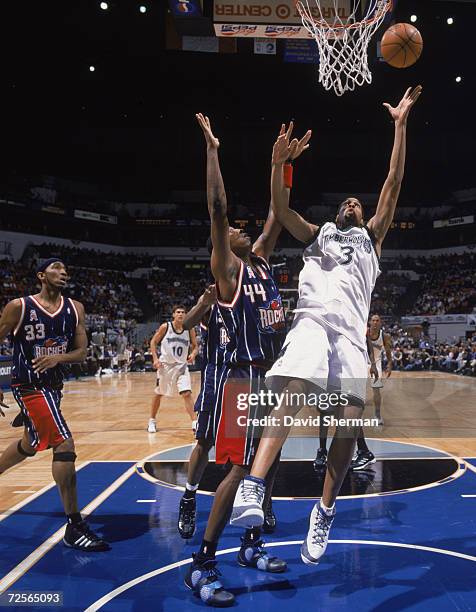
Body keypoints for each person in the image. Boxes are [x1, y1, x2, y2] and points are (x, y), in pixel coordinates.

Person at [231, 86, 422, 567]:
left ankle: (325, 509)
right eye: (350, 203)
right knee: (296, 388)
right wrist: (278, 166)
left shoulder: (372, 239)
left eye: (360, 205)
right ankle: (252, 487)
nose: (355, 205)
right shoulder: (317, 235)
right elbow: (280, 207)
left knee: (349, 424)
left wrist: (400, 125)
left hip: (351, 336)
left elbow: (394, 181)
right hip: (313, 321)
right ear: (337, 212)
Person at [184, 115, 311, 607]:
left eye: (241, 228)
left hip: (269, 376)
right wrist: (213, 150)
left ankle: (251, 545)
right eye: (233, 230)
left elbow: (278, 216)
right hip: (239, 381)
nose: (239, 228)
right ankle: (203, 564)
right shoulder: (227, 271)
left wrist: (281, 166)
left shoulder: (259, 257)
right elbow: (217, 209)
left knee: (269, 464)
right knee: (238, 471)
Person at [0, 258, 109, 551]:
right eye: (57, 268)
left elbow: (82, 351)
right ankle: (75, 525)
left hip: (54, 388)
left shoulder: (75, 308)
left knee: (30, 444)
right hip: (28, 386)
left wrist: (58, 358)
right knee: (64, 445)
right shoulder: (19, 307)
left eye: (66, 269)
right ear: (41, 275)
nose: (64, 272)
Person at [177, 285, 278, 540]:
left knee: (254, 448)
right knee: (204, 442)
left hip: (247, 378)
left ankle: (263, 501)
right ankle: (189, 496)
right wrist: (204, 301)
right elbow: (185, 323)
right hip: (216, 377)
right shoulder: (216, 294)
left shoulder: (252, 295)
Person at [147, 305, 198, 433]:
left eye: (183, 312)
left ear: (186, 315)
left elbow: (195, 346)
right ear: (173, 315)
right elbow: (153, 342)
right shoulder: (166, 327)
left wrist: (193, 354)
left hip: (181, 366)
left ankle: (194, 422)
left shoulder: (189, 329)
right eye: (178, 312)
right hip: (166, 366)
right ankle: (152, 421)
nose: (181, 314)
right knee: (159, 393)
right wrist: (155, 359)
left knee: (187, 393)